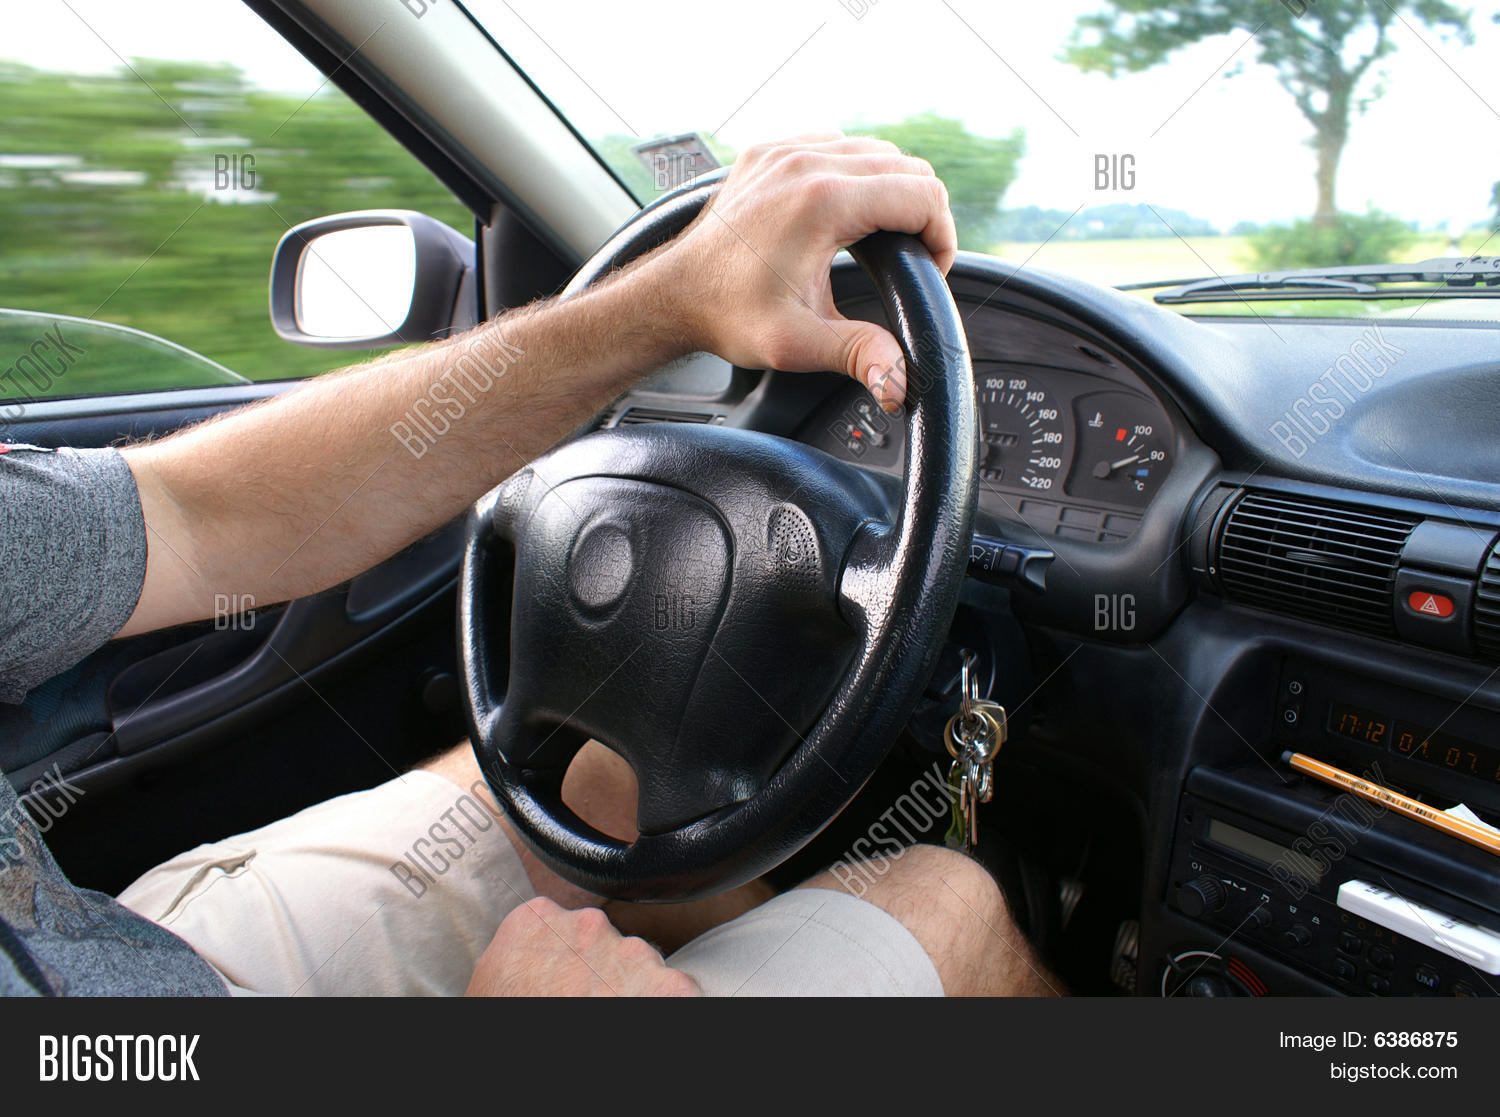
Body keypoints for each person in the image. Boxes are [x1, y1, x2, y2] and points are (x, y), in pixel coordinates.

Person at [0, 134, 1057, 997]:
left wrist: (668, 297)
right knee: (949, 902)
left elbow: (193, 514)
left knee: (591, 788)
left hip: (120, 962)